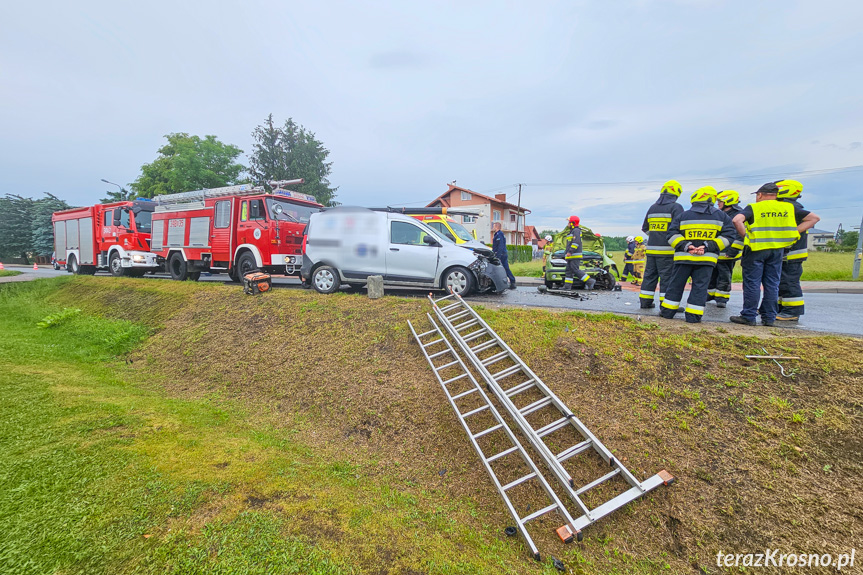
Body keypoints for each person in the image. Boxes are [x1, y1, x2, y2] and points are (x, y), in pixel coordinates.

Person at [729, 182, 815, 326]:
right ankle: (769, 317)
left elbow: (737, 220)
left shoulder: (754, 207)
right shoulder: (788, 207)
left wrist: (746, 237)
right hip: (777, 250)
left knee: (753, 283)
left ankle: (749, 316)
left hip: (756, 249)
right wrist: (792, 234)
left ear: (760, 195)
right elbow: (814, 218)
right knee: (772, 284)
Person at [659, 187, 736, 323]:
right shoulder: (721, 216)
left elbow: (671, 234)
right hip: (706, 260)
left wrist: (686, 246)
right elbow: (729, 236)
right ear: (711, 199)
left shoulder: (683, 215)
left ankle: (667, 312)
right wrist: (708, 246)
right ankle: (693, 316)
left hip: (683, 258)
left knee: (675, 285)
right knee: (700, 287)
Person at [774, 179, 820, 322]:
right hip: (787, 253)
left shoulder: (790, 207)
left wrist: (793, 233)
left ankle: (793, 311)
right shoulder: (787, 206)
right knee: (782, 282)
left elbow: (814, 218)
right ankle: (782, 308)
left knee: (789, 282)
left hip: (792, 254)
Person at [640, 180, 685, 308]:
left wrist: (655, 236)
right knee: (667, 279)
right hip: (667, 251)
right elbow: (680, 228)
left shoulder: (652, 207)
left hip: (652, 250)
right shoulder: (676, 207)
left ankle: (645, 302)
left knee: (649, 277)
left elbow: (645, 228)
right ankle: (665, 305)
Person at [706, 190, 744, 308]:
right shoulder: (718, 213)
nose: (718, 203)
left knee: (724, 275)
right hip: (716, 250)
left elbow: (740, 235)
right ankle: (710, 294)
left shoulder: (739, 214)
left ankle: (722, 298)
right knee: (712, 274)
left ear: (729, 201)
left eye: (720, 201)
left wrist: (733, 250)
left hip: (728, 252)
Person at [562, 215, 596, 290]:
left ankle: (589, 281)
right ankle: (567, 287)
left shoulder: (576, 231)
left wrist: (570, 251)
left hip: (574, 255)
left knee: (575, 269)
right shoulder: (572, 231)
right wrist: (566, 253)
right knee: (568, 270)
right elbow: (569, 244)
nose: (568, 224)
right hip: (571, 255)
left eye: (569, 222)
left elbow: (576, 243)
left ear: (572, 223)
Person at [492, 222, 517, 290]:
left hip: (501, 254)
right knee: (505, 268)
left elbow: (500, 246)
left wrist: (498, 256)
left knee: (504, 268)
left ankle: (511, 282)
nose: (493, 227)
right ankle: (511, 282)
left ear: (497, 227)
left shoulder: (499, 234)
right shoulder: (497, 234)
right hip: (501, 254)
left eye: (493, 226)